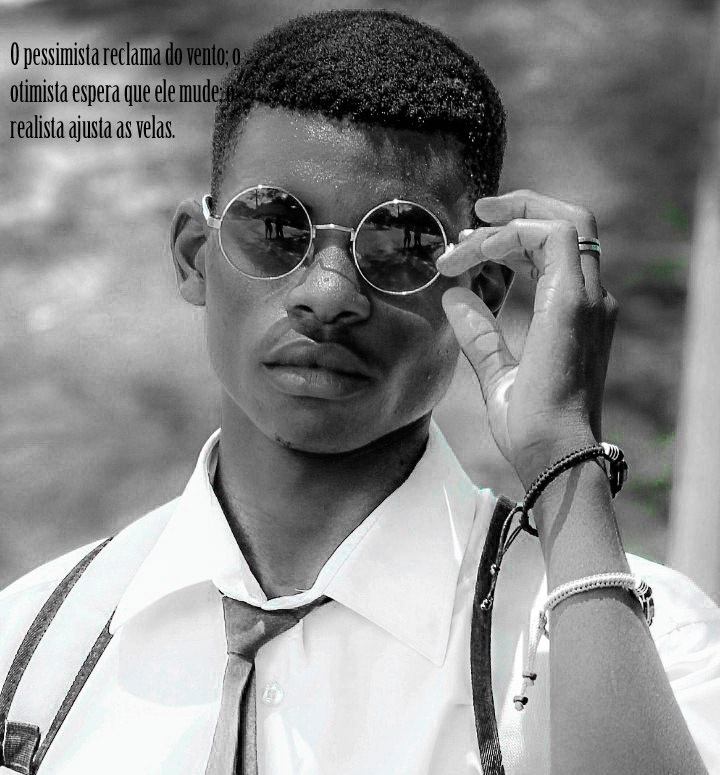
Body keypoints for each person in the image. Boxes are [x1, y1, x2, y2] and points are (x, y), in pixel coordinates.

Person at [1, 9, 719, 775]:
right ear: (193, 255)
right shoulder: (28, 647)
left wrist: (566, 456)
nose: (329, 294)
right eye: (276, 227)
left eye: (401, 244)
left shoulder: (632, 634)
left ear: (482, 288)